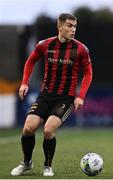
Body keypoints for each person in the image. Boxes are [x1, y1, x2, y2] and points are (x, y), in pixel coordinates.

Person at [11, 13, 93, 177]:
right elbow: (30, 61)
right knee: (28, 128)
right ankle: (26, 163)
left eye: (75, 26)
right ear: (60, 26)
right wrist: (25, 82)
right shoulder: (44, 45)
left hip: (66, 98)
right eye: (69, 25)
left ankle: (47, 166)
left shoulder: (81, 49)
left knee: (48, 130)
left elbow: (88, 73)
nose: (73, 29)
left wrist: (80, 96)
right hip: (45, 95)